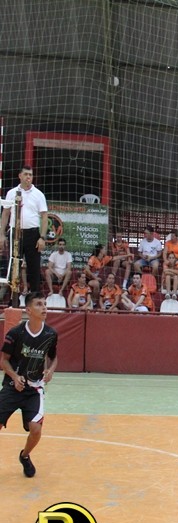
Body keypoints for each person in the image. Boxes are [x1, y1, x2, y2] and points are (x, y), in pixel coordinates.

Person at [0, 292, 58, 477]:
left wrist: (50, 370)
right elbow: (4, 360)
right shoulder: (15, 333)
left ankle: (25, 456)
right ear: (29, 310)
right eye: (39, 304)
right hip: (13, 386)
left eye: (45, 304)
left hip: (34, 389)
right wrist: (15, 376)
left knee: (36, 429)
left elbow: (53, 357)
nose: (44, 308)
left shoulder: (50, 334)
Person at [0, 165, 48, 294]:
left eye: (30, 175)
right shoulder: (11, 193)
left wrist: (42, 237)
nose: (28, 177)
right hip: (15, 233)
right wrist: (1, 235)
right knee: (14, 266)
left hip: (32, 234)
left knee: (34, 268)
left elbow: (44, 217)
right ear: (20, 176)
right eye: (26, 174)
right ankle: (13, 298)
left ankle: (35, 298)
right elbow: (5, 214)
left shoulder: (38, 194)